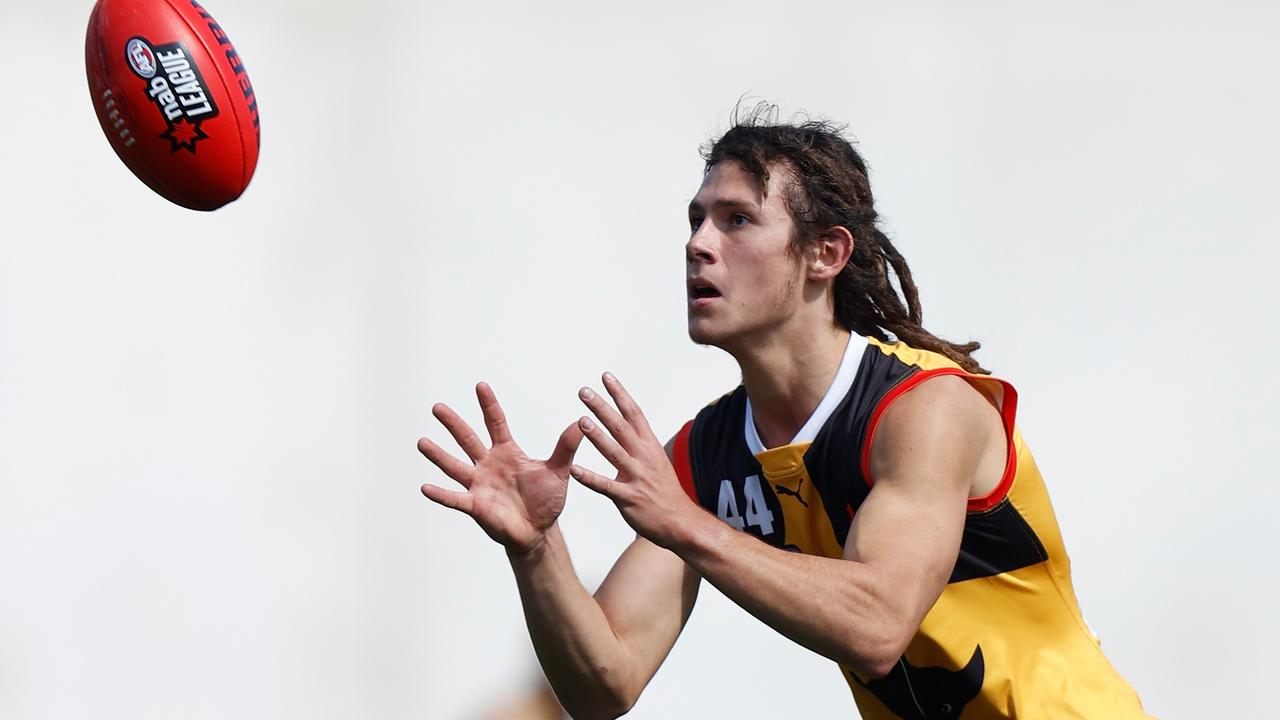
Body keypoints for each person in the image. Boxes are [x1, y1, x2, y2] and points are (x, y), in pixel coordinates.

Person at [418, 108, 1151, 719]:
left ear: (826, 253)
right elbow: (603, 684)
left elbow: (875, 624)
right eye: (697, 219)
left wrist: (685, 523)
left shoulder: (925, 407)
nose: (699, 243)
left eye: (737, 220)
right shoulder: (708, 453)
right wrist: (536, 551)